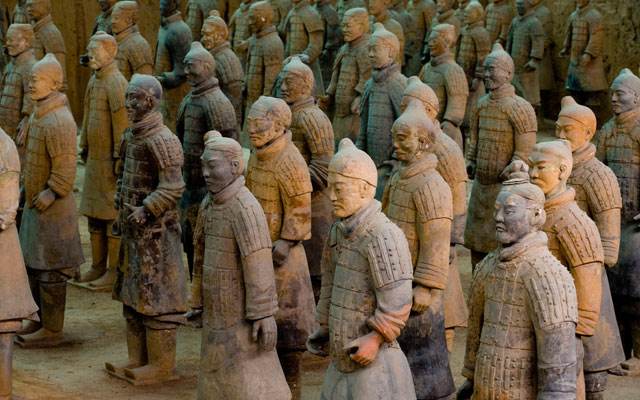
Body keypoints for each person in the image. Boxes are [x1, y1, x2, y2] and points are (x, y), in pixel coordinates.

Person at [458, 162, 578, 400]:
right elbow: (475, 335)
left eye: (509, 211)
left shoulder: (548, 275)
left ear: (536, 215)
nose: (498, 218)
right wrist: (471, 378)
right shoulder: (488, 266)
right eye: (497, 210)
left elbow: (558, 377)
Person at [308, 138, 416, 400]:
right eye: (330, 187)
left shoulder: (383, 235)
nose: (332, 196)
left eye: (339, 189)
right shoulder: (338, 231)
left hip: (373, 359)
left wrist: (375, 338)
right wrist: (326, 325)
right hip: (342, 355)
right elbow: (330, 284)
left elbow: (399, 300)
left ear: (365, 189)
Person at [191, 131, 291, 400]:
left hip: (240, 312)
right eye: (203, 166)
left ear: (235, 166)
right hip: (216, 307)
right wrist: (197, 300)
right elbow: (199, 256)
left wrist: (263, 314)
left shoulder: (245, 208)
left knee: (249, 375)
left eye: (213, 166)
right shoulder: (208, 204)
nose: (206, 173)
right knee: (216, 371)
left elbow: (258, 262)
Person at [106, 74, 188, 385]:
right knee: (133, 296)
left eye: (134, 98)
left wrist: (147, 209)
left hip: (157, 236)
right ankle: (137, 358)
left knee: (157, 298)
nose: (128, 103)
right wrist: (121, 207)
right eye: (127, 96)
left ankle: (161, 364)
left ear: (150, 101)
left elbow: (173, 187)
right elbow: (123, 176)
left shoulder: (163, 140)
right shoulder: (131, 135)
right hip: (134, 232)